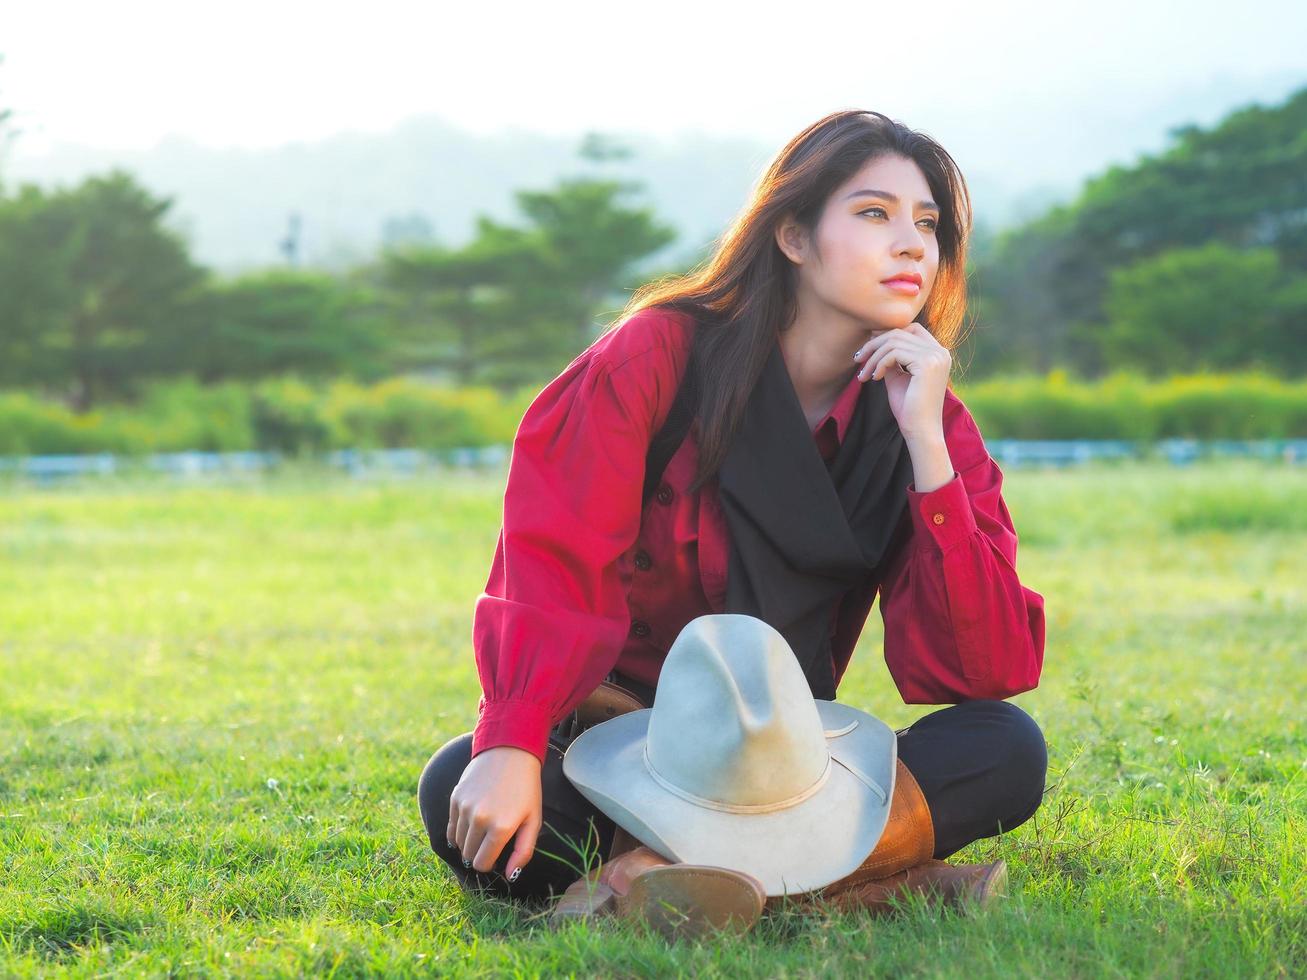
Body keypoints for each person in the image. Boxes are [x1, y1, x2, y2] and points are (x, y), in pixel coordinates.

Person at [418, 109, 1049, 929]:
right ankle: (855, 883)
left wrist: (925, 446)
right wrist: (509, 738)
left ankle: (645, 879)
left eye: (927, 224)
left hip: (782, 767)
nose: (911, 245)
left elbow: (979, 670)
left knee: (1003, 748)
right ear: (791, 236)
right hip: (622, 747)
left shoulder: (924, 415)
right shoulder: (658, 358)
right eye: (873, 214)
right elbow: (551, 556)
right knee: (457, 790)